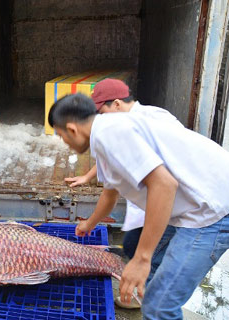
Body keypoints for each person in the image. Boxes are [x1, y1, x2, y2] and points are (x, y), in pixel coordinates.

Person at [48, 93, 229, 319]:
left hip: (212, 211)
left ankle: (155, 304)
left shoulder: (111, 135)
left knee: (159, 306)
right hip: (194, 204)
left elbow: (163, 185)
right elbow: (110, 193)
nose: (64, 142)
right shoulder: (106, 133)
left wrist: (142, 259)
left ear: (72, 129)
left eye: (61, 135)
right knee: (148, 266)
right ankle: (146, 294)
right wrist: (90, 223)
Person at [64, 79, 179, 308]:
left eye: (101, 112)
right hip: (152, 198)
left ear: (116, 104)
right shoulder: (123, 124)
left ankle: (145, 296)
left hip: (173, 203)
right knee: (131, 245)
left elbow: (163, 183)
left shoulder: (147, 121)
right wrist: (88, 178)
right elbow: (111, 178)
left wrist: (142, 259)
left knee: (151, 257)